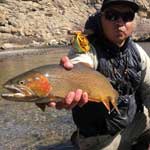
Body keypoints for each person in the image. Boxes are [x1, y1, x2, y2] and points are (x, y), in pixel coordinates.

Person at [48, 0, 150, 149]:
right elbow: (80, 63)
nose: (120, 22)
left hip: (136, 123)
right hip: (102, 139)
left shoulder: (138, 53)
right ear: (101, 18)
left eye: (127, 16)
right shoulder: (86, 48)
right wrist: (73, 73)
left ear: (133, 21)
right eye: (112, 16)